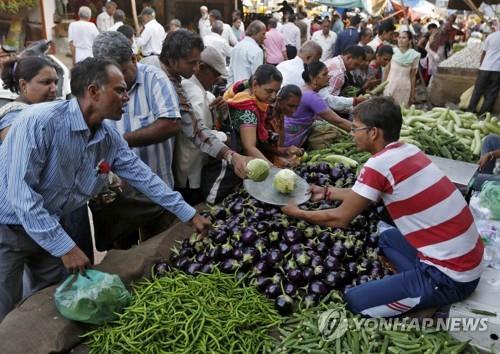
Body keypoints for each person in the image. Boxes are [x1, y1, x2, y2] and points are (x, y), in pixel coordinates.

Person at [0, 57, 210, 322]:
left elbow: (143, 176)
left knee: (51, 304)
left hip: (49, 225)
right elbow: (21, 194)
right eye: (120, 90)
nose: (126, 98)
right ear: (93, 91)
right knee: (4, 306)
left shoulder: (107, 136)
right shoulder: (40, 123)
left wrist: (188, 213)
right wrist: (65, 246)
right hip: (6, 229)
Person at [282, 97, 483, 318]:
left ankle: (433, 302)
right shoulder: (408, 150)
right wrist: (328, 192)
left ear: (373, 132)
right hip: (463, 259)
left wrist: (299, 213)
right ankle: (415, 289)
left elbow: (340, 219)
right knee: (386, 238)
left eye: (356, 128)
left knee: (356, 300)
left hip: (451, 277)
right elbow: (365, 195)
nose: (352, 133)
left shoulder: (378, 165)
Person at [144, 30, 251, 201]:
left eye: (197, 62)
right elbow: (194, 130)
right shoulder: (151, 72)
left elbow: (195, 127)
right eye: (191, 63)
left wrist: (231, 155)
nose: (195, 68)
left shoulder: (175, 81)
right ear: (172, 60)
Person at [174, 46, 228, 204]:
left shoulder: (200, 89)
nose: (216, 80)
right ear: (201, 68)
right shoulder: (193, 91)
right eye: (215, 75)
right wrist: (226, 137)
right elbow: (197, 130)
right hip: (190, 168)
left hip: (195, 164)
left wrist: (220, 110)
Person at [223, 65, 287, 163]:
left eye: (276, 91)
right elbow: (249, 148)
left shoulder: (243, 91)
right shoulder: (248, 110)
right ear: (255, 84)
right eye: (269, 91)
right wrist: (273, 169)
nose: (274, 96)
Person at [284, 61, 352, 147]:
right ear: (313, 79)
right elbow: (337, 121)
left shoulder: (303, 90)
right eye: (324, 74)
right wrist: (360, 131)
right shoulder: (311, 97)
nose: (329, 76)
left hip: (288, 131)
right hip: (289, 139)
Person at [266, 85, 304, 167]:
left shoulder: (280, 114)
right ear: (279, 101)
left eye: (296, 107)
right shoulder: (267, 115)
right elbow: (264, 147)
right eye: (290, 106)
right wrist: (286, 150)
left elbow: (280, 143)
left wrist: (288, 153)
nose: (294, 111)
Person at [467, 29, 500, 115]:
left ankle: (470, 111)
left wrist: (481, 66)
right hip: (497, 70)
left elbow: (484, 53)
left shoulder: (491, 36)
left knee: (477, 91)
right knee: (491, 93)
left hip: (485, 68)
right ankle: (483, 114)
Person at [383, 31, 420, 106]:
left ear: (409, 40)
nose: (400, 40)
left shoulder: (415, 55)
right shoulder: (393, 51)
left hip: (404, 87)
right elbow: (386, 70)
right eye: (399, 37)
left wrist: (412, 94)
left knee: (402, 110)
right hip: (390, 85)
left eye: (404, 38)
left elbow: (413, 76)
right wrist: (382, 86)